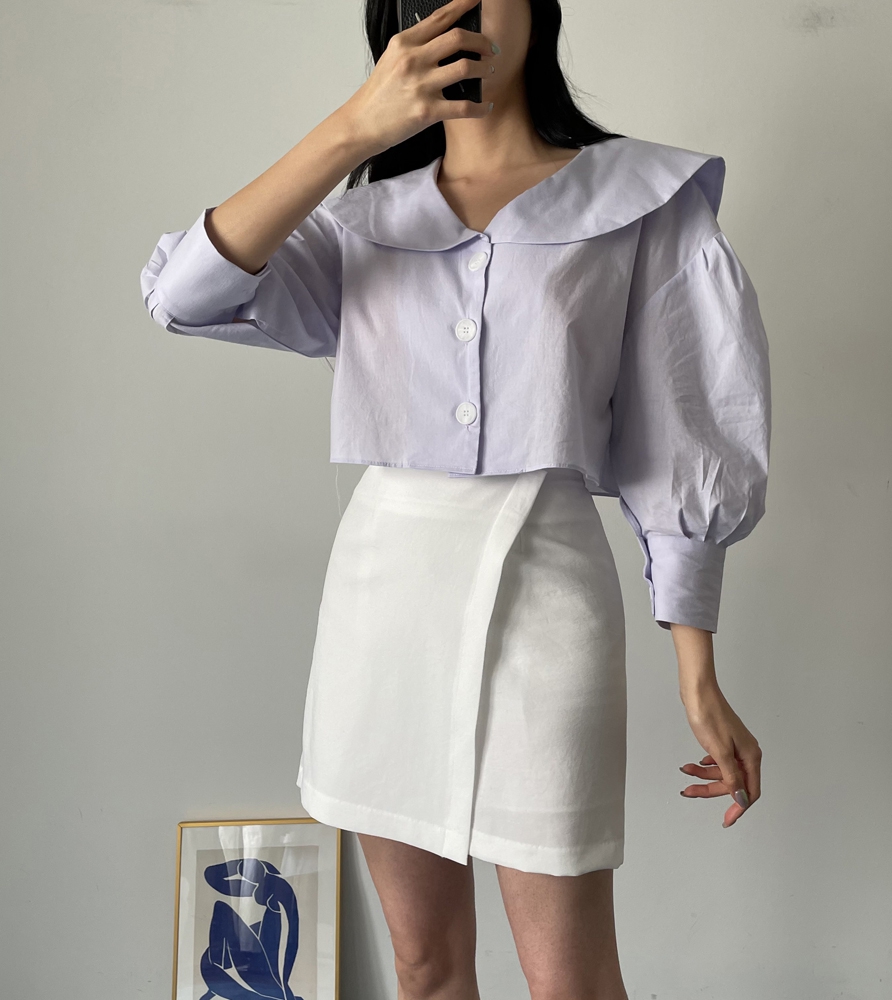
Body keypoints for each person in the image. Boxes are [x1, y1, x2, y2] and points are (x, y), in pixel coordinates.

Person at [140, 0, 771, 996]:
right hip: (383, 598)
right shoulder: (361, 223)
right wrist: (354, 129)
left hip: (548, 588)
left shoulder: (640, 201)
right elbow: (184, 294)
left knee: (571, 980)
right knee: (426, 965)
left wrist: (698, 674)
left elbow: (684, 434)